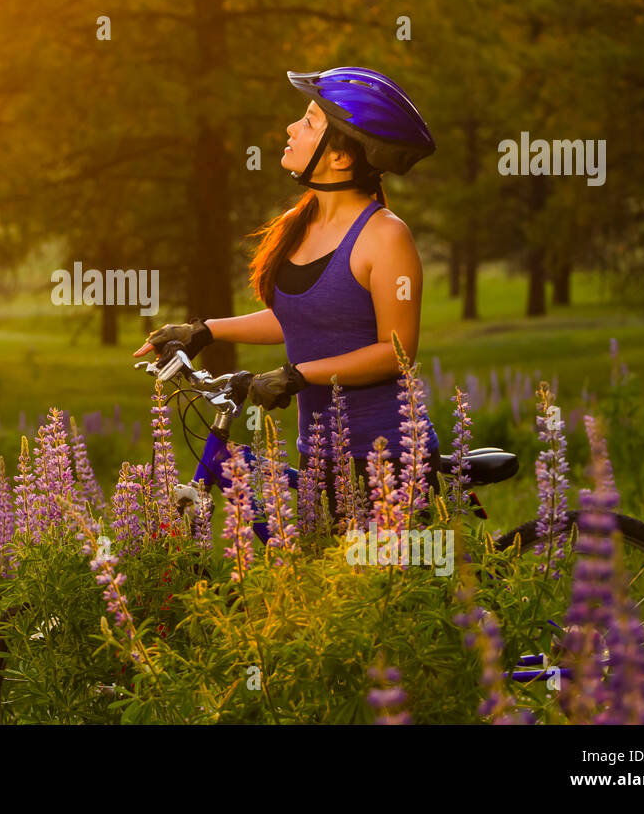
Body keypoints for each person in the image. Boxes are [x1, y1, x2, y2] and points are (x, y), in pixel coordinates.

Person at [134, 67, 440, 527]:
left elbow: (395, 353)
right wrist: (204, 330)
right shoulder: (303, 222)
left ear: (341, 158)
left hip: (385, 458)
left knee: (381, 594)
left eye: (311, 121)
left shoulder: (385, 237)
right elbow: (299, 318)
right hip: (319, 455)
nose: (292, 129)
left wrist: (297, 376)